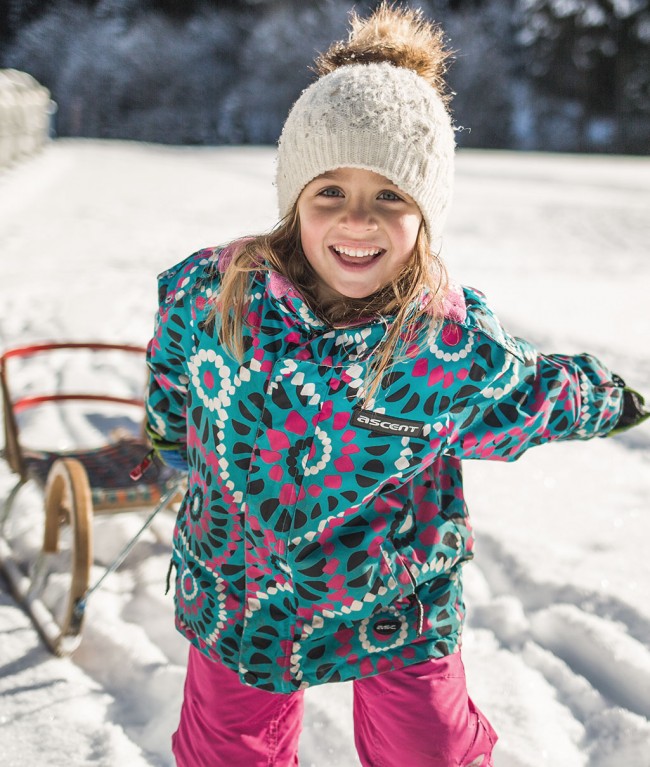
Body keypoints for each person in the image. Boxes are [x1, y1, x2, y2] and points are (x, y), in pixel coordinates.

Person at [143, 4, 649, 766]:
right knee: (228, 750)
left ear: (426, 213)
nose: (358, 222)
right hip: (239, 585)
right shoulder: (217, 294)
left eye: (390, 196)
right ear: (292, 197)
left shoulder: (441, 341)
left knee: (430, 748)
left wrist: (615, 396)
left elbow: (531, 395)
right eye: (329, 193)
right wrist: (169, 430)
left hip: (392, 596)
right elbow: (172, 366)